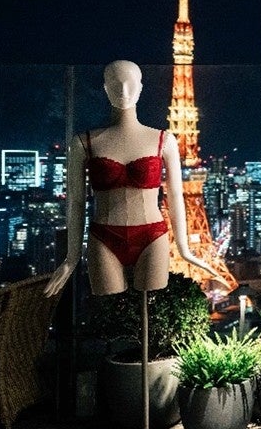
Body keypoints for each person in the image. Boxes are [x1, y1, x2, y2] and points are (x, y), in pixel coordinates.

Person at [44, 60, 217, 298]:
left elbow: (176, 195)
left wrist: (184, 249)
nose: (124, 91)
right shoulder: (83, 142)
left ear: (141, 87)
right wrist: (70, 258)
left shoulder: (164, 140)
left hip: (152, 236)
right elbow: (76, 201)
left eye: (131, 83)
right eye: (116, 84)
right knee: (108, 311)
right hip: (103, 237)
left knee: (147, 310)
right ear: (105, 88)